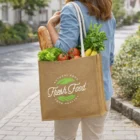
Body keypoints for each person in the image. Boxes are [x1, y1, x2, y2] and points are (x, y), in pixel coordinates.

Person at [47, 0, 116, 139]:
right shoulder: (108, 13)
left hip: (73, 89)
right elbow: (110, 58)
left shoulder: (71, 9)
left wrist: (50, 25)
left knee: (64, 137)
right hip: (102, 90)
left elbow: (64, 50)